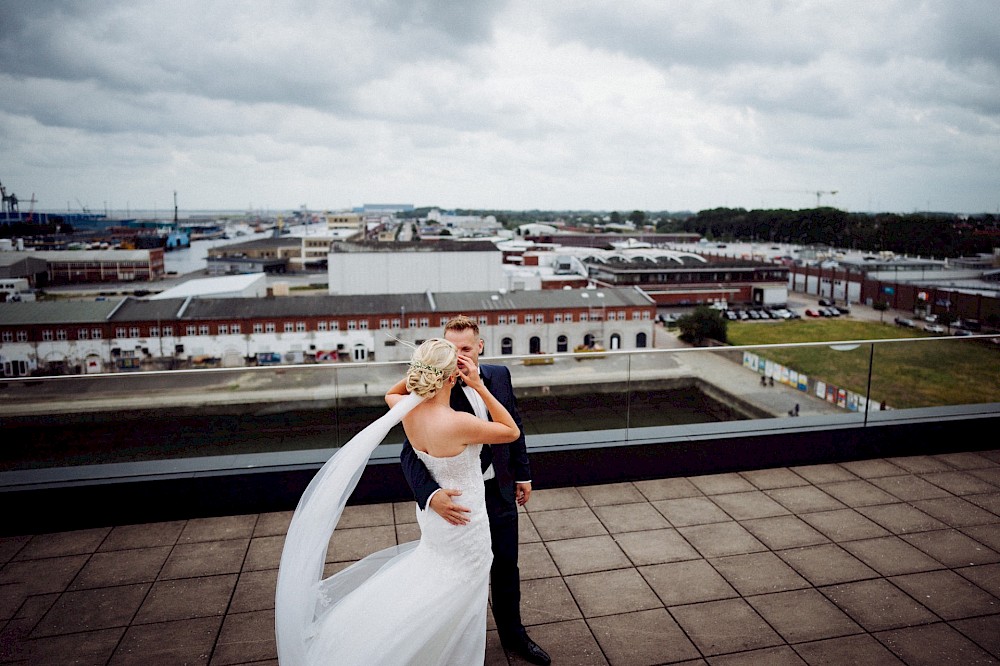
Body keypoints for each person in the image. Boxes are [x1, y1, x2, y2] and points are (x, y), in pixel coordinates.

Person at [274, 338, 521, 665]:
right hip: (465, 520)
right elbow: (511, 430)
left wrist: (423, 369)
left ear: (420, 372)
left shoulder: (407, 410)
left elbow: (392, 391)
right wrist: (478, 386)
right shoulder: (459, 423)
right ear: (451, 379)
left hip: (436, 520)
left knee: (434, 575)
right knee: (459, 589)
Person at [400, 316, 551, 666]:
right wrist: (430, 495)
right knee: (453, 574)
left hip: (498, 489)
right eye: (451, 350)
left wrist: (523, 475)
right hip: (458, 500)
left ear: (480, 346)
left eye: (465, 349)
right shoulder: (440, 383)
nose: (459, 358)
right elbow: (409, 451)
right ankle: (449, 641)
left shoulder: (499, 375)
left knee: (506, 566)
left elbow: (515, 424)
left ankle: (515, 637)